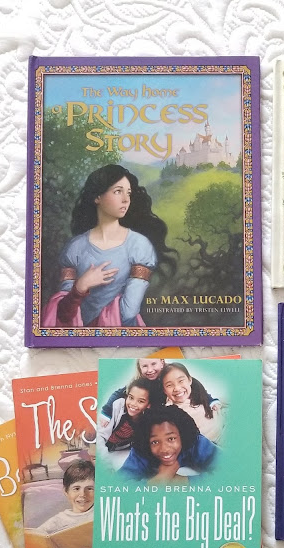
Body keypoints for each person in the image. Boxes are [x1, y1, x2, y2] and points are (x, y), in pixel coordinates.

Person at [42, 164, 176, 327]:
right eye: (118, 191)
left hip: (122, 334)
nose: (126, 199)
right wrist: (80, 286)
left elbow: (128, 313)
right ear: (97, 197)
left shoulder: (139, 246)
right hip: (79, 336)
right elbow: (63, 315)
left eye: (128, 193)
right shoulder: (74, 248)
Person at [119, 405, 218, 483]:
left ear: (183, 435)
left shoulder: (195, 442)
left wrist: (184, 481)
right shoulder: (141, 452)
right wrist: (161, 479)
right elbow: (120, 484)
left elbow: (225, 470)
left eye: (171, 439)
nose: (164, 449)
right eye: (155, 442)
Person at [160, 363, 223, 444]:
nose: (177, 388)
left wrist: (213, 403)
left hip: (222, 426)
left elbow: (206, 396)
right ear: (164, 390)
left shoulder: (196, 391)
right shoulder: (171, 411)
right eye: (169, 385)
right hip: (211, 443)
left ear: (189, 380)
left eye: (181, 381)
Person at [35, 460, 95, 534]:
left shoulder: (101, 514)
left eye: (89, 489)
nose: (82, 494)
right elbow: (36, 536)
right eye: (76, 489)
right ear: (66, 491)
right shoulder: (57, 521)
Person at [101, 357, 167, 423]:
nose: (149, 370)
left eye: (153, 364)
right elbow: (118, 393)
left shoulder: (168, 375)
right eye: (145, 366)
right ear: (139, 368)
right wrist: (106, 412)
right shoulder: (139, 382)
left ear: (162, 363)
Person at [101, 378, 153, 452]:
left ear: (148, 405)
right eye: (131, 398)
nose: (133, 404)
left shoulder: (147, 420)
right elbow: (100, 435)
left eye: (141, 401)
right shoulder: (117, 406)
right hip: (103, 448)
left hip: (123, 451)